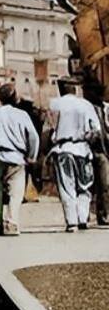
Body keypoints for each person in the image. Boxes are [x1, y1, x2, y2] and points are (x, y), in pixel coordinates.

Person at [46, 77, 103, 232]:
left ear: (61, 89)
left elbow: (48, 130)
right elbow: (96, 130)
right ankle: (82, 218)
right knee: (85, 186)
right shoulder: (85, 105)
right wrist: (87, 139)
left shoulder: (54, 104)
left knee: (67, 186)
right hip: (82, 149)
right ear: (75, 89)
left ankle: (72, 222)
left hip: (62, 149)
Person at [0, 83, 39, 236]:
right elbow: (33, 137)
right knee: (16, 193)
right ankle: (12, 222)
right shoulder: (22, 115)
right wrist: (31, 156)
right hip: (17, 158)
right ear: (15, 98)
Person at [85, 78, 109, 227]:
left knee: (105, 184)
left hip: (102, 151)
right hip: (87, 150)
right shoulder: (85, 108)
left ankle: (104, 214)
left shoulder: (105, 109)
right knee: (87, 185)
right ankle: (84, 214)